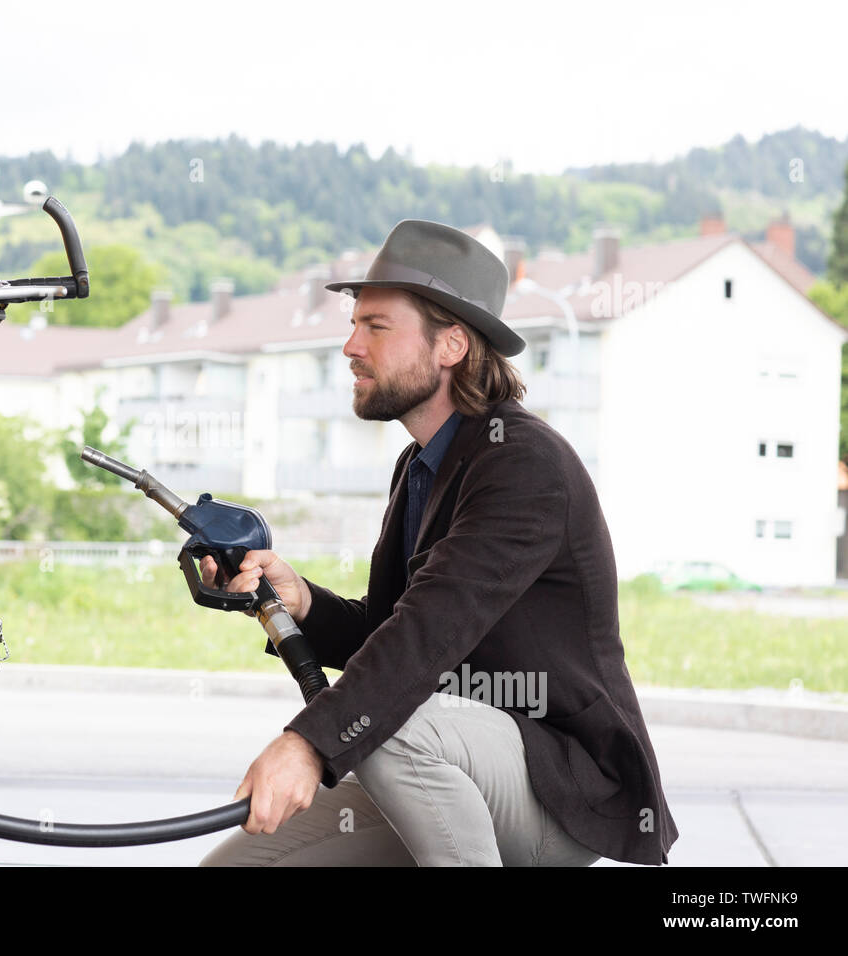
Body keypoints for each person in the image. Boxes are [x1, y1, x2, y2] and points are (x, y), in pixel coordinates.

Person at [198, 220, 678, 866]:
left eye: (376, 326)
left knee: (390, 725)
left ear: (450, 343)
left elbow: (423, 639)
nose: (350, 346)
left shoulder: (524, 465)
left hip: (559, 784)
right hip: (449, 759)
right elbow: (390, 630)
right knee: (238, 866)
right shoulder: (421, 465)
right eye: (354, 324)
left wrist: (307, 745)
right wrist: (300, 599)